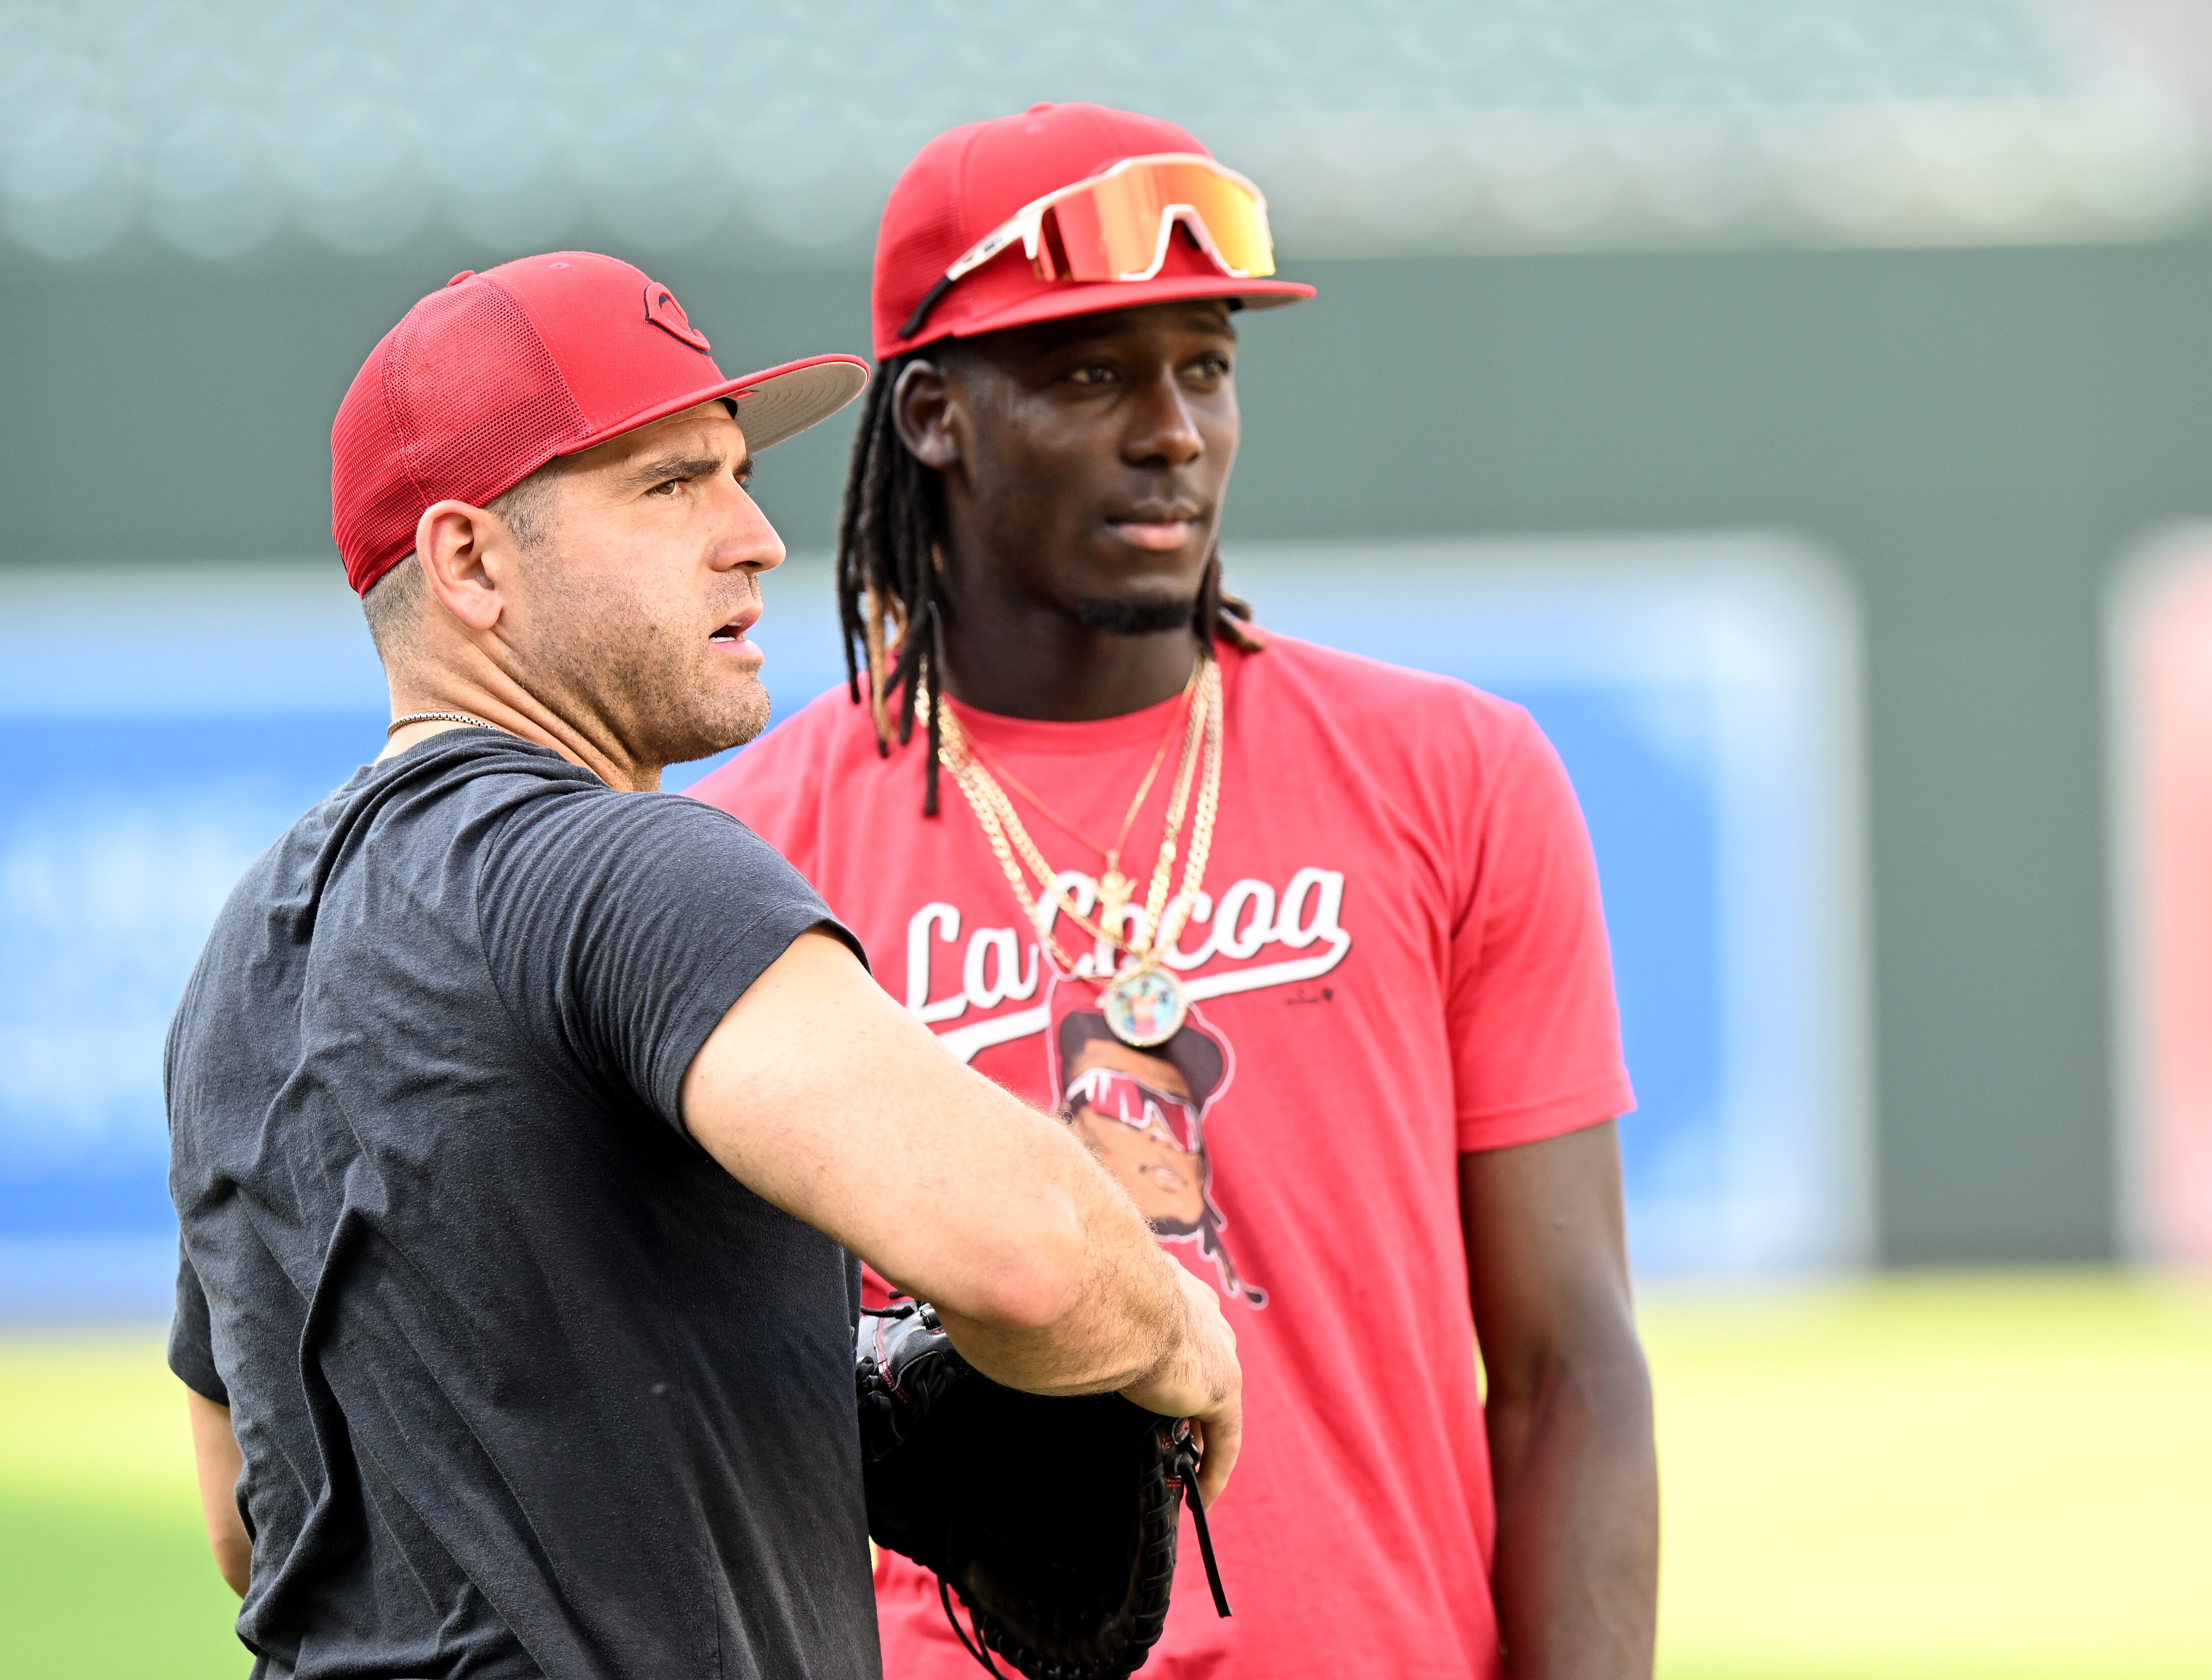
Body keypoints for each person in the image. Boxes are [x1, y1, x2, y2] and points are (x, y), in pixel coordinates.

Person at [165, 251, 1243, 1680]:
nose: (753, 536)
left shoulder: (237, 964)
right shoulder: (623, 868)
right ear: (469, 563)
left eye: (734, 474)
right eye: (668, 488)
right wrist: (1180, 1331)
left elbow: (253, 1514)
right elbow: (1027, 1258)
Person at [693, 106, 1657, 1679]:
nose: (1175, 430)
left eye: (1205, 364)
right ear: (933, 414)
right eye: (1092, 373)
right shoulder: (740, 856)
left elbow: (1569, 1367)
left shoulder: (1459, 774)